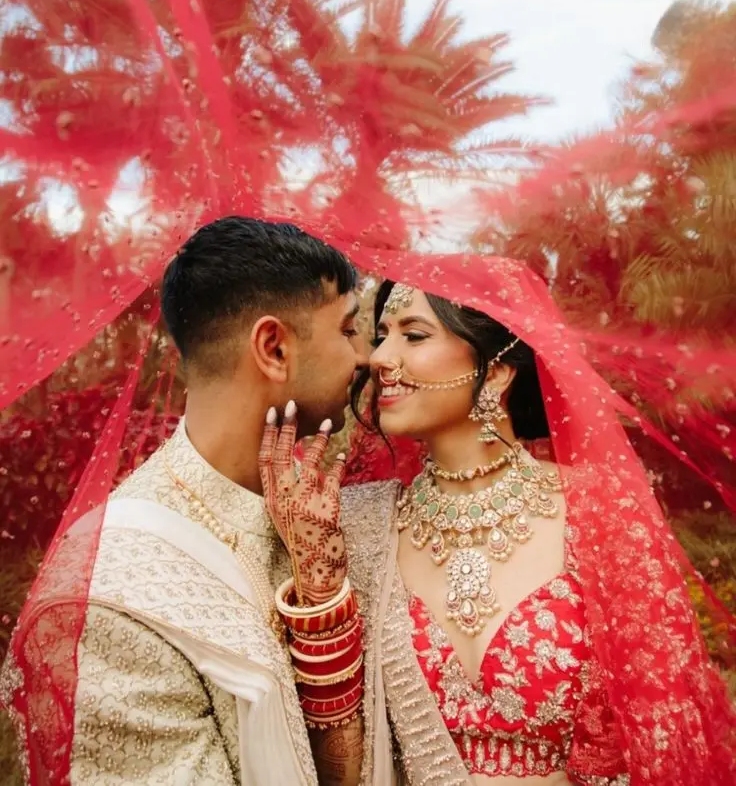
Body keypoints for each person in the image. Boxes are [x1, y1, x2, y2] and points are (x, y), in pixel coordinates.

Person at [263, 265, 736, 786]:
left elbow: (664, 731)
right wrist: (319, 581)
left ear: (496, 372)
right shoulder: (357, 524)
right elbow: (337, 767)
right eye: (380, 338)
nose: (379, 359)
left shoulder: (599, 509)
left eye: (413, 336)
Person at [0, 216, 374, 785]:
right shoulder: (112, 599)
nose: (366, 358)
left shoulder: (317, 509)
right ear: (273, 347)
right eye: (349, 331)